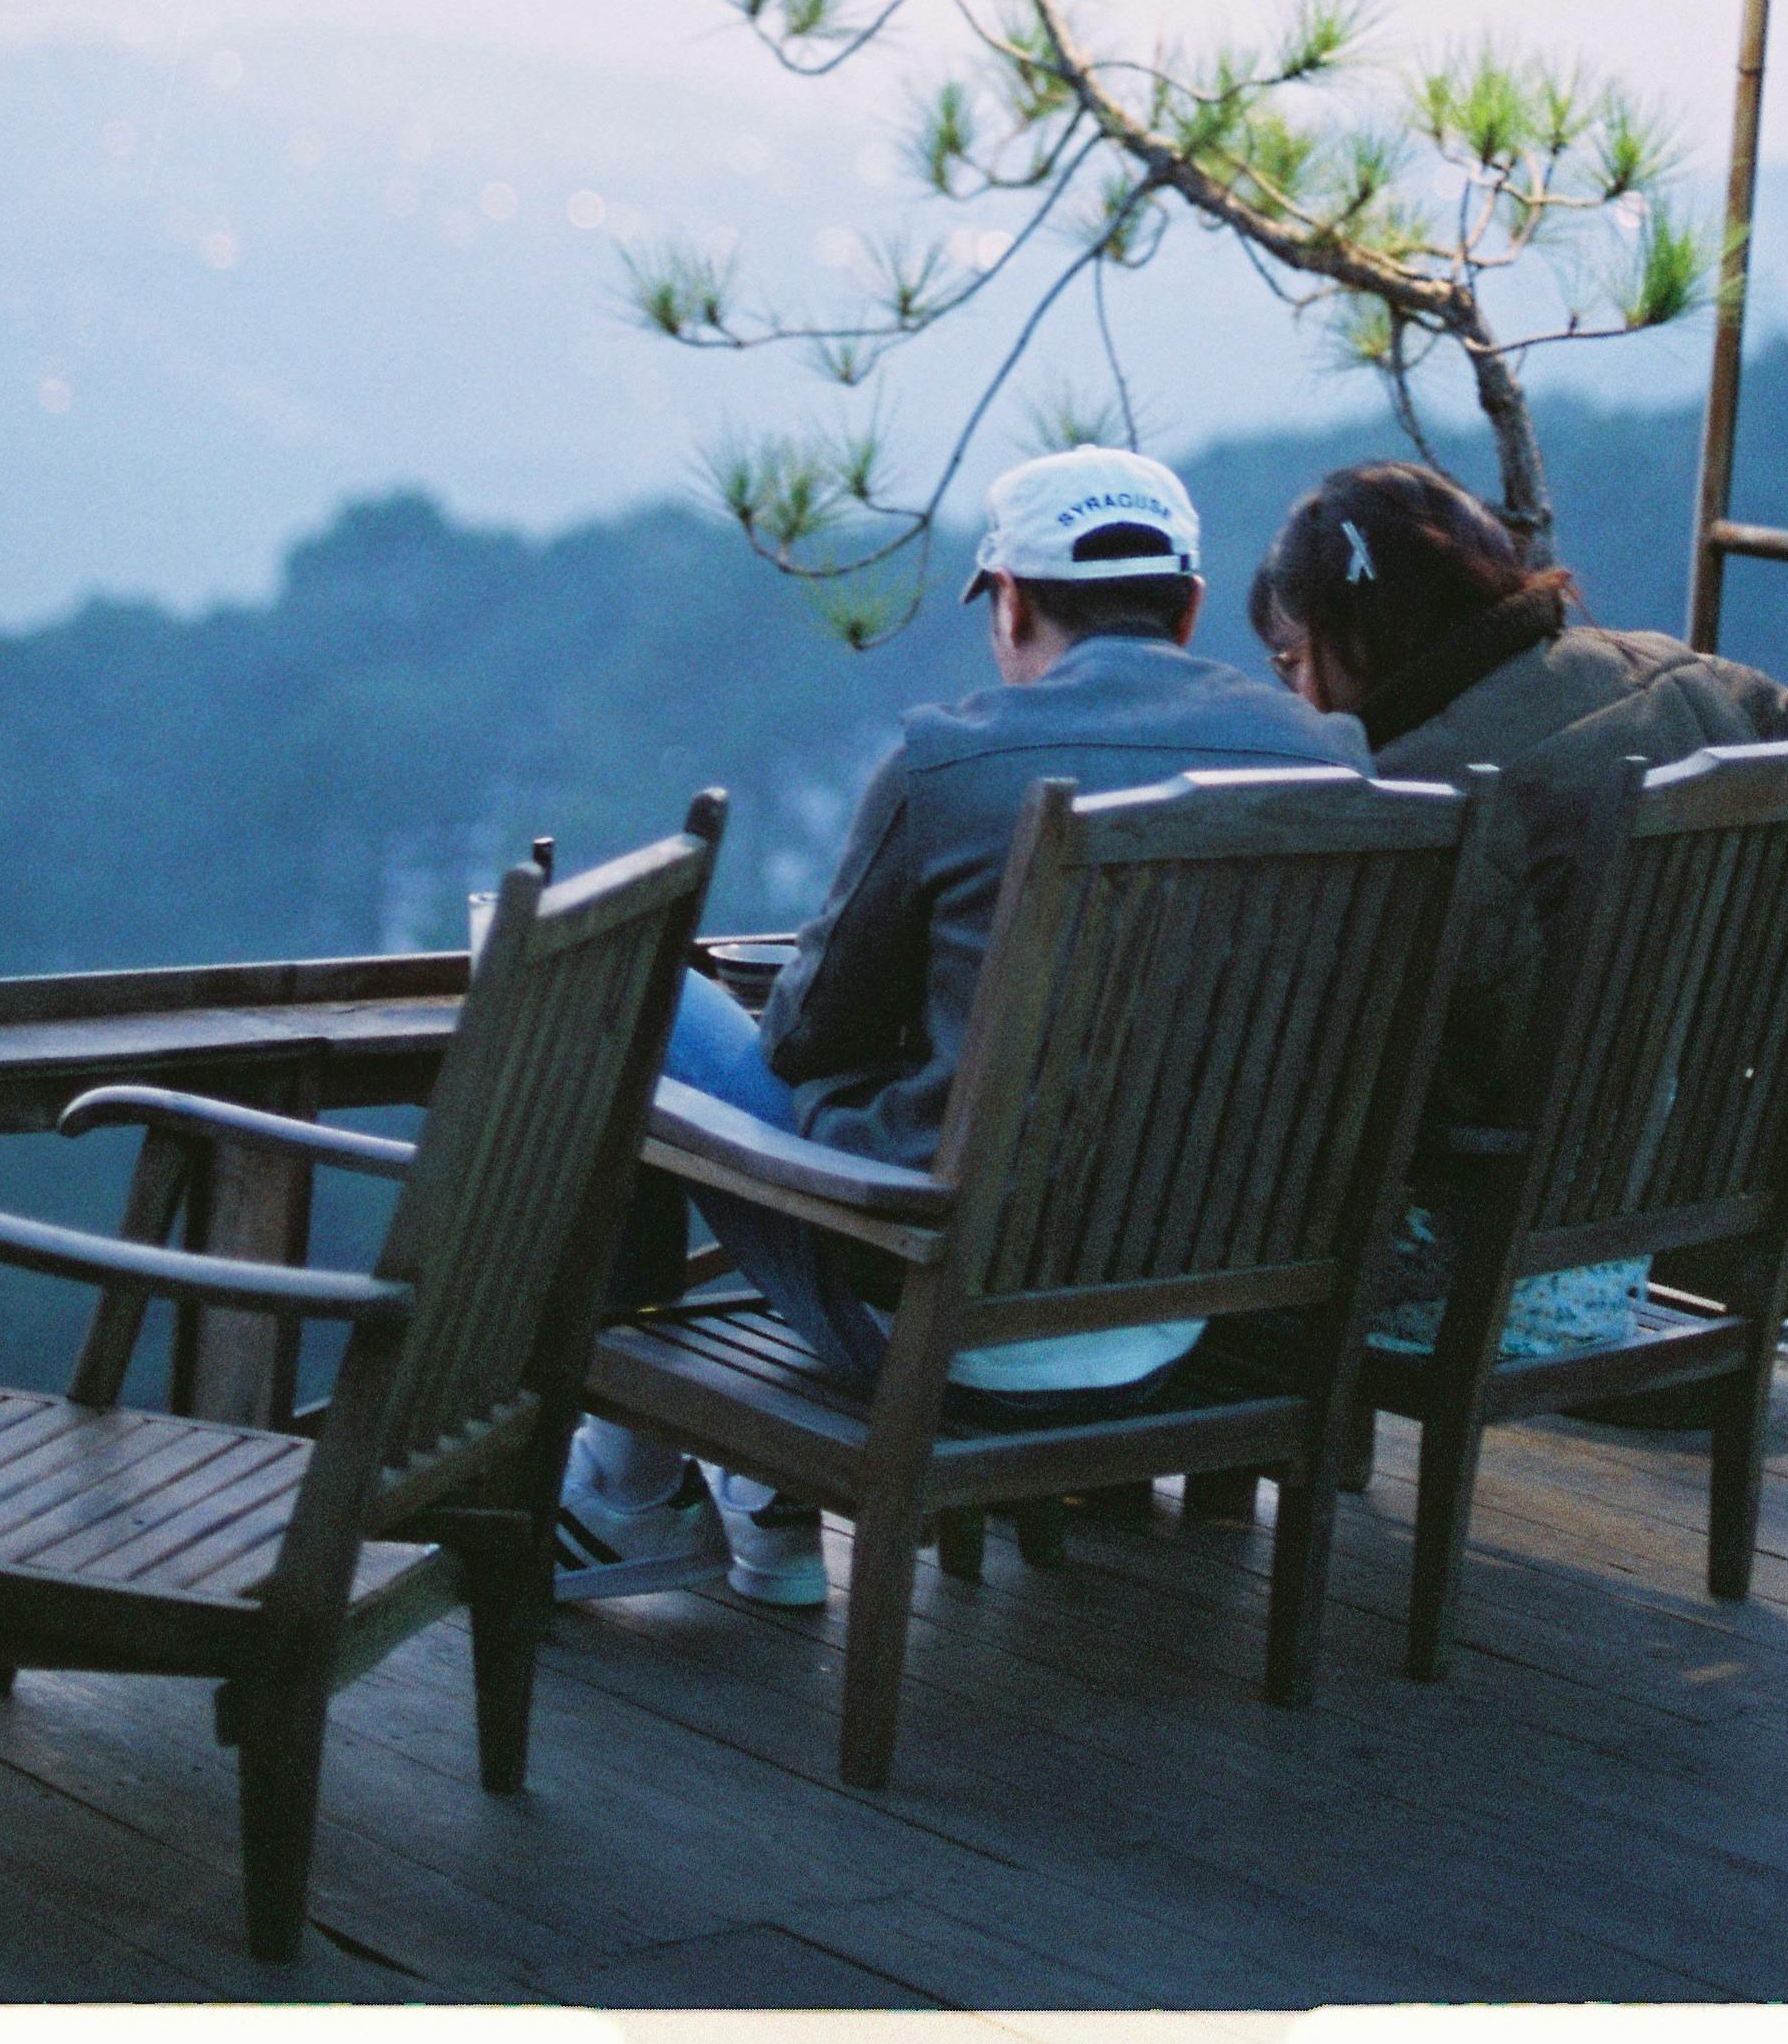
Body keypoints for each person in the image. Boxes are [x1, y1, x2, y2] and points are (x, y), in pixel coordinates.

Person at [562, 444, 1367, 1602]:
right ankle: (752, 1491)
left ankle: (630, 1492)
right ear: (1189, 605)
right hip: (1189, 1322)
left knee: (636, 992)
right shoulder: (1325, 759)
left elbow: (800, 1041)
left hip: (948, 1335)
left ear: (1012, 601)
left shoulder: (953, 762)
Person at [1249, 458, 1788, 1365]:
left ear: (1363, 631)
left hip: (1464, 1287)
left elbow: (1441, 1071)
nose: (1297, 692)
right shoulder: (1691, 678)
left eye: (1295, 660)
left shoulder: (1421, 795)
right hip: (1632, 1245)